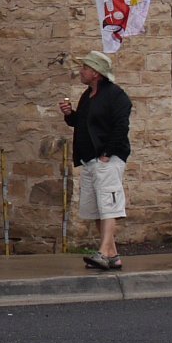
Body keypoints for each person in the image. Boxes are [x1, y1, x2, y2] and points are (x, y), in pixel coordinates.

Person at [58, 49, 131, 270]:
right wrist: (69, 114)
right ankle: (113, 256)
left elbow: (121, 126)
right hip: (90, 160)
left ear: (96, 73)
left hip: (107, 160)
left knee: (109, 206)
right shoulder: (87, 96)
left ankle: (102, 252)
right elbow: (81, 123)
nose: (81, 71)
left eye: (85, 68)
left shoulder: (116, 96)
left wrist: (107, 153)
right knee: (99, 209)